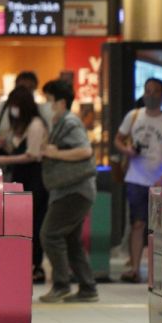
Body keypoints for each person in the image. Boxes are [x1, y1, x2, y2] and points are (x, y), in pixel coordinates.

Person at [37, 80, 99, 303]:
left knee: (50, 234)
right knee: (71, 241)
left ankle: (62, 284)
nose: (47, 104)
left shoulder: (70, 121)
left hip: (75, 191)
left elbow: (84, 151)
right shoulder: (59, 121)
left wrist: (55, 154)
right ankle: (88, 287)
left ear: (61, 102)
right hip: (69, 191)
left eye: (49, 100)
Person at [114, 77, 162, 283]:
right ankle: (134, 268)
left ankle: (159, 270)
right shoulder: (134, 116)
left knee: (160, 227)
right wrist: (127, 151)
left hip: (160, 180)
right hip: (135, 177)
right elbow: (118, 139)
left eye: (155, 91)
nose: (150, 95)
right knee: (137, 223)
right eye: (147, 91)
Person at [0, 87, 50, 284]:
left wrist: (4, 159)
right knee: (19, 223)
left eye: (15, 105)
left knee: (34, 224)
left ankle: (36, 265)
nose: (12, 110)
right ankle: (22, 264)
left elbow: (32, 155)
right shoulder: (19, 127)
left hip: (35, 179)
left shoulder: (35, 124)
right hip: (20, 178)